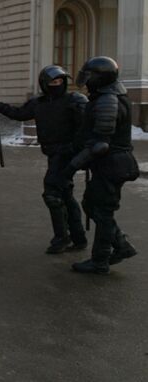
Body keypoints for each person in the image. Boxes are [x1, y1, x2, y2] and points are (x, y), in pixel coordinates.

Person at [0, 65, 88, 253]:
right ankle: (78, 237)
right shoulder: (39, 103)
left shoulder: (74, 100)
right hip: (52, 154)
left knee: (52, 193)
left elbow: (86, 128)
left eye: (60, 81)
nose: (57, 84)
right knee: (65, 194)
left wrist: (77, 150)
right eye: (53, 82)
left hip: (67, 155)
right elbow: (19, 114)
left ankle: (62, 238)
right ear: (44, 84)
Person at [66, 56, 139, 274]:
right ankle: (121, 246)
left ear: (100, 78)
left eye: (89, 77)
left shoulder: (108, 100)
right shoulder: (106, 96)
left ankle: (100, 260)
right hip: (109, 165)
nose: (87, 82)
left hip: (112, 165)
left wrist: (72, 166)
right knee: (91, 205)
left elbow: (100, 145)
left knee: (102, 211)